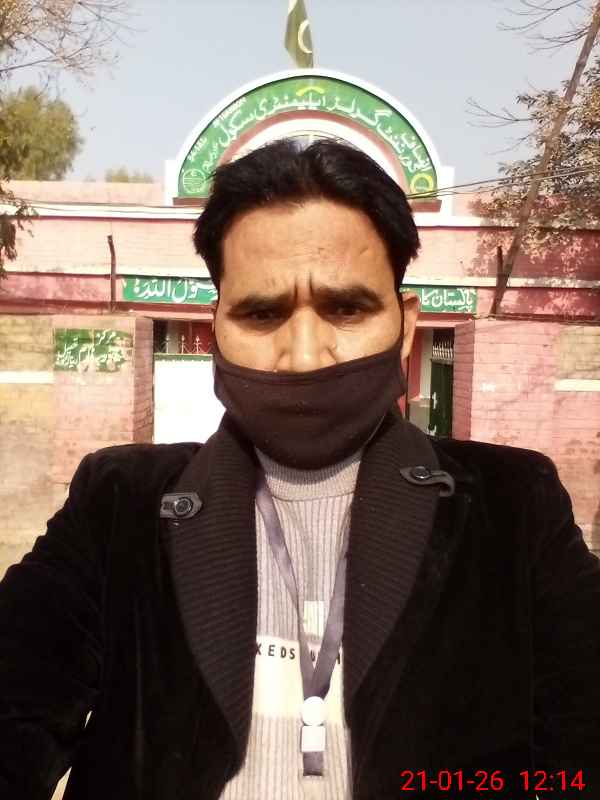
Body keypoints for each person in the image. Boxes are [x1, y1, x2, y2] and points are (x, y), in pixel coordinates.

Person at [1, 139, 599, 800]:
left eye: (346, 309)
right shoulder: (119, 507)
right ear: (215, 329)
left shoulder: (513, 511)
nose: (305, 355)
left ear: (406, 328)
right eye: (263, 313)